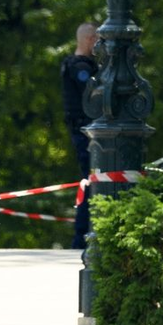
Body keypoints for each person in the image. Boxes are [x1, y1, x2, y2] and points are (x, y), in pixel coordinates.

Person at [60, 23, 99, 250]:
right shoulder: (79, 68)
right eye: (96, 40)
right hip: (86, 133)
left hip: (85, 132)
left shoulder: (72, 65)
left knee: (92, 181)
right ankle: (82, 236)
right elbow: (93, 92)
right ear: (89, 39)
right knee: (91, 181)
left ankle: (84, 235)